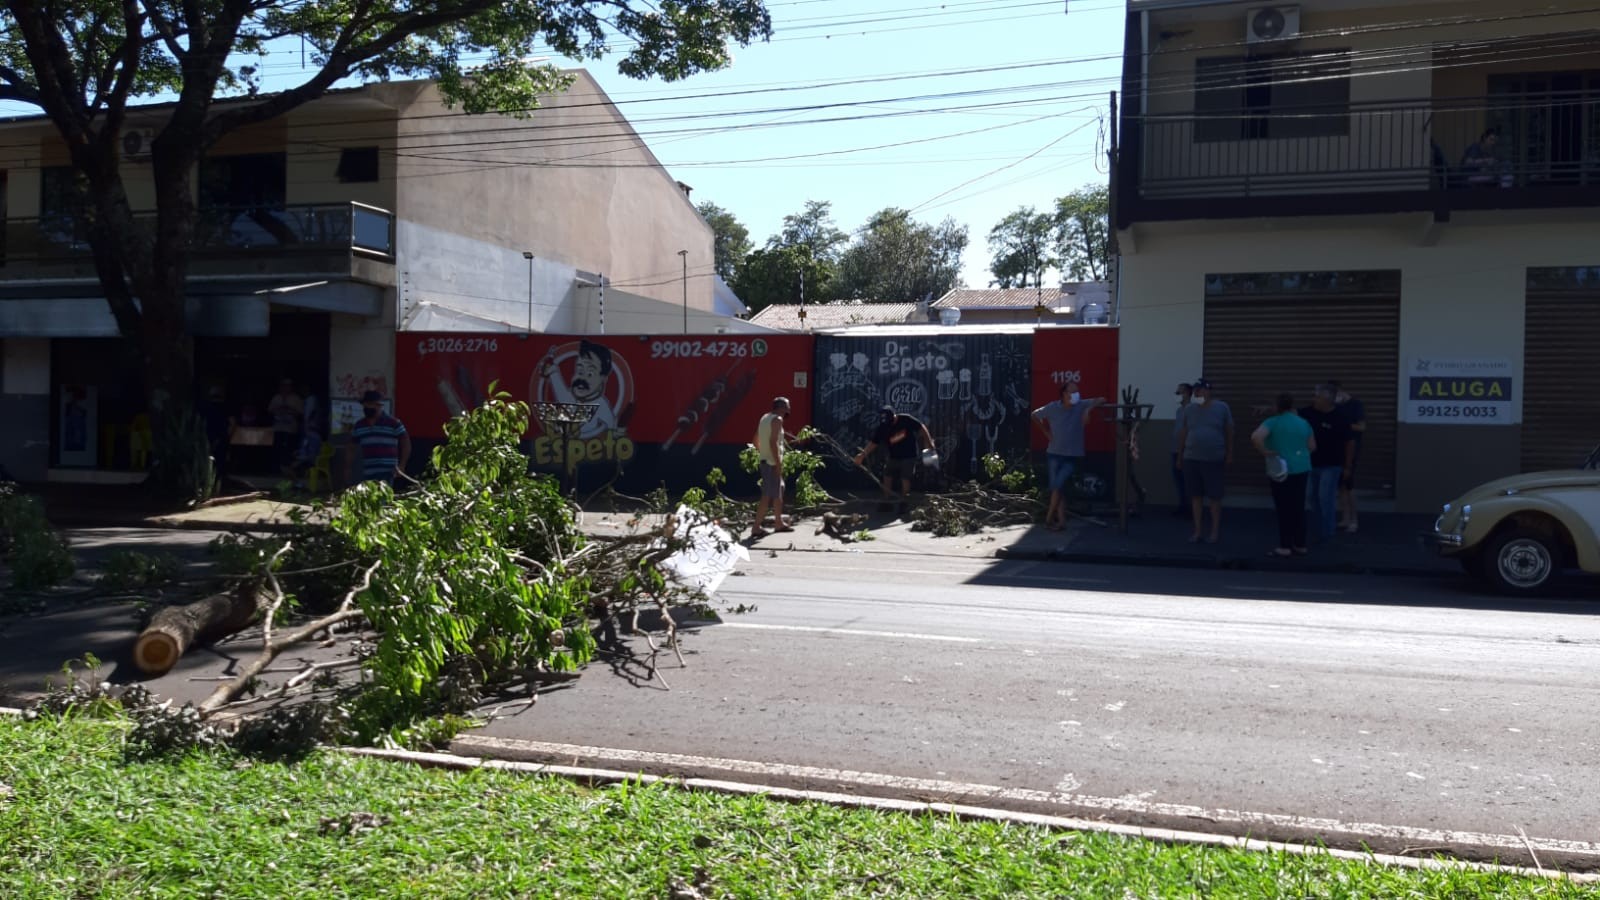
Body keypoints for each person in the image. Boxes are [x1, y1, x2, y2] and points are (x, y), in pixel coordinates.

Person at [1032, 386, 1107, 531]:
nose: (1076, 394)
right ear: (1064, 394)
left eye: (1077, 391)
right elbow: (1035, 415)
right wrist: (1046, 432)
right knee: (1058, 488)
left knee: (1058, 485)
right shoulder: (1053, 407)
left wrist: (1087, 410)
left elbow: (1102, 399)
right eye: (1072, 391)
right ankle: (1061, 522)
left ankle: (1048, 518)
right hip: (1054, 453)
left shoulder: (1080, 405)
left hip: (1072, 455)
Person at [1252, 393, 1315, 558]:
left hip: (1281, 469)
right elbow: (1312, 446)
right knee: (1298, 507)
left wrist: (1265, 451)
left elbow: (1256, 437)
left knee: (1284, 508)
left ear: (1277, 406)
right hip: (1302, 468)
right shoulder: (1303, 423)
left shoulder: (1272, 422)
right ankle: (1300, 544)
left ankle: (1285, 546)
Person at [1174, 378, 1233, 544]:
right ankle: (1197, 531)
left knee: (1215, 496)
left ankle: (1214, 531)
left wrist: (1229, 453)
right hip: (1192, 457)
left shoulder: (1222, 407)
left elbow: (1229, 430)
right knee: (1195, 496)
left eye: (1200, 390)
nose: (1198, 393)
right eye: (1196, 391)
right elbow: (1184, 432)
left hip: (1214, 458)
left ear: (1208, 391)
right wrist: (1180, 455)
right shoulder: (1189, 409)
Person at [855, 405, 936, 516]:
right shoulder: (883, 426)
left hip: (909, 455)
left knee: (905, 478)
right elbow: (874, 443)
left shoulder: (906, 419)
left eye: (889, 421)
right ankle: (887, 501)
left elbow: (921, 427)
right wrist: (862, 455)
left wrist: (929, 442)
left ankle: (904, 502)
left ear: (894, 416)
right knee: (887, 475)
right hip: (893, 456)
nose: (887, 424)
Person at [1299, 384, 1354, 542]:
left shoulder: (1340, 416)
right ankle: (1319, 527)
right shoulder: (1307, 412)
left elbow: (1350, 442)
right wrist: (1269, 408)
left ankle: (1327, 532)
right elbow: (1289, 414)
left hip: (1332, 464)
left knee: (1326, 497)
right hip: (1310, 463)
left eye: (1317, 397)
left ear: (1328, 400)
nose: (1314, 399)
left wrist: (1347, 466)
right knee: (1312, 497)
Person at [347, 390, 411, 488]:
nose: (367, 407)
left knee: (383, 498)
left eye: (370, 404)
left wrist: (402, 465)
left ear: (378, 405)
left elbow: (405, 442)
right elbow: (351, 447)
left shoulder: (393, 423)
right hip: (369, 471)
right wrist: (347, 468)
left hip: (388, 471)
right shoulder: (359, 426)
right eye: (365, 405)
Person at [751, 397, 793, 538]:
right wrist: (777, 462)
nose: (789, 410)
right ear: (780, 407)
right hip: (771, 463)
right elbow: (773, 441)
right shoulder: (777, 420)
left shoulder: (765, 417)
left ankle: (778, 522)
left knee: (779, 488)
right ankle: (756, 527)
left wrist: (762, 453)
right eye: (787, 407)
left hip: (766, 460)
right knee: (767, 495)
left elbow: (755, 439)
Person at [1330, 380, 1366, 535]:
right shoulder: (1334, 406)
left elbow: (1362, 427)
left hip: (1351, 448)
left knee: (1349, 485)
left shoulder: (1355, 405)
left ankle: (1354, 520)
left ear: (1340, 391)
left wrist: (1344, 424)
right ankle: (1345, 518)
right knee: (1341, 486)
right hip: (1337, 448)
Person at [200, 385, 236, 487]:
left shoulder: (205, 407)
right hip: (222, 437)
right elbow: (233, 423)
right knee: (221, 461)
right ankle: (220, 483)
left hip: (209, 437)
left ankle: (209, 483)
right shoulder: (227, 406)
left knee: (210, 461)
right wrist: (228, 435)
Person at [267, 378, 305, 468]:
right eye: (283, 386)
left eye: (288, 386)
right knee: (277, 448)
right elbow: (269, 410)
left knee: (289, 449)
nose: (285, 388)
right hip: (278, 427)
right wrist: (278, 408)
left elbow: (301, 413)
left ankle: (288, 468)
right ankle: (276, 467)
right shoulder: (276, 397)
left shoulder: (296, 398)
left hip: (290, 429)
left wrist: (290, 409)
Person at [1170, 383, 1193, 517]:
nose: (1177, 395)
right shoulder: (1179, 411)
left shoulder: (1192, 410)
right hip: (1175, 448)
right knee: (1178, 481)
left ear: (1188, 394)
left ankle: (1189, 509)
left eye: (1180, 392)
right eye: (1177, 392)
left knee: (1187, 480)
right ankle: (1183, 506)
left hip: (1185, 450)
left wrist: (1182, 451)